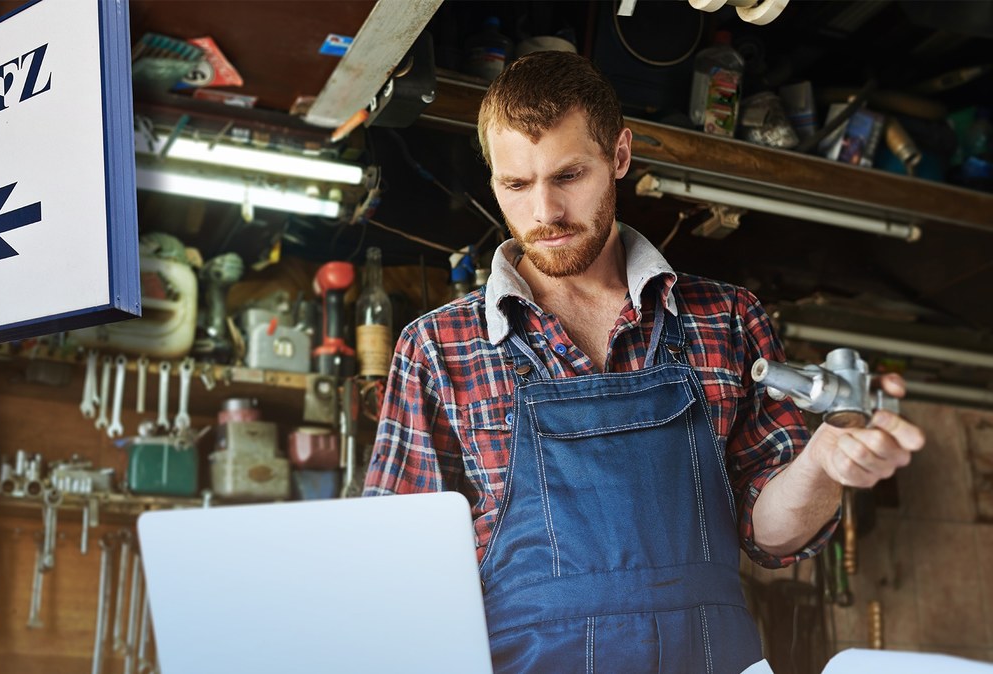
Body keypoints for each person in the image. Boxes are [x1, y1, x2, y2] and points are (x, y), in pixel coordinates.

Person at [363, 50, 925, 673]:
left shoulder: (728, 321)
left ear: (620, 158)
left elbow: (772, 536)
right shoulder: (439, 348)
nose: (544, 213)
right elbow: (397, 575)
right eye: (516, 185)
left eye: (568, 176)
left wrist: (822, 460)